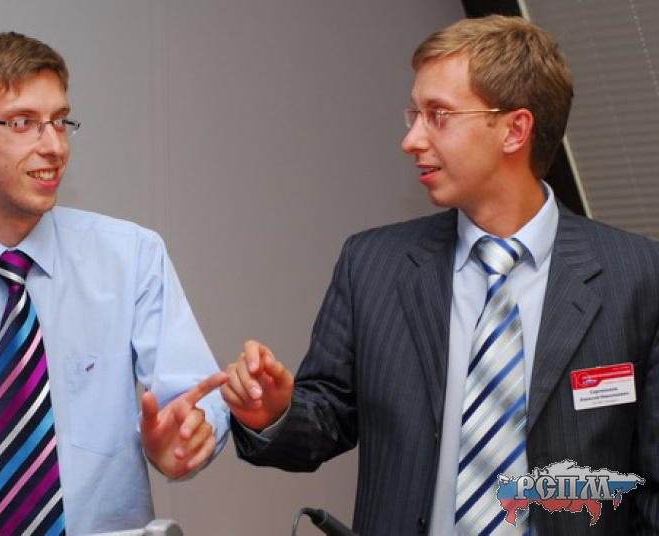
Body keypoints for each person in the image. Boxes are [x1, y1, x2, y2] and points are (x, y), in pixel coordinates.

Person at [221, 15, 659, 535]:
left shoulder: (638, 275)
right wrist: (273, 413)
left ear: (514, 129)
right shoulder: (373, 265)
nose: (411, 140)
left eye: (438, 115)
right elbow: (326, 418)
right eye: (414, 114)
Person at [0, 32, 229, 535]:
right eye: (22, 123)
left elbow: (194, 396)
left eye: (60, 121)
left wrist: (186, 436)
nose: (54, 146)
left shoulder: (131, 256)